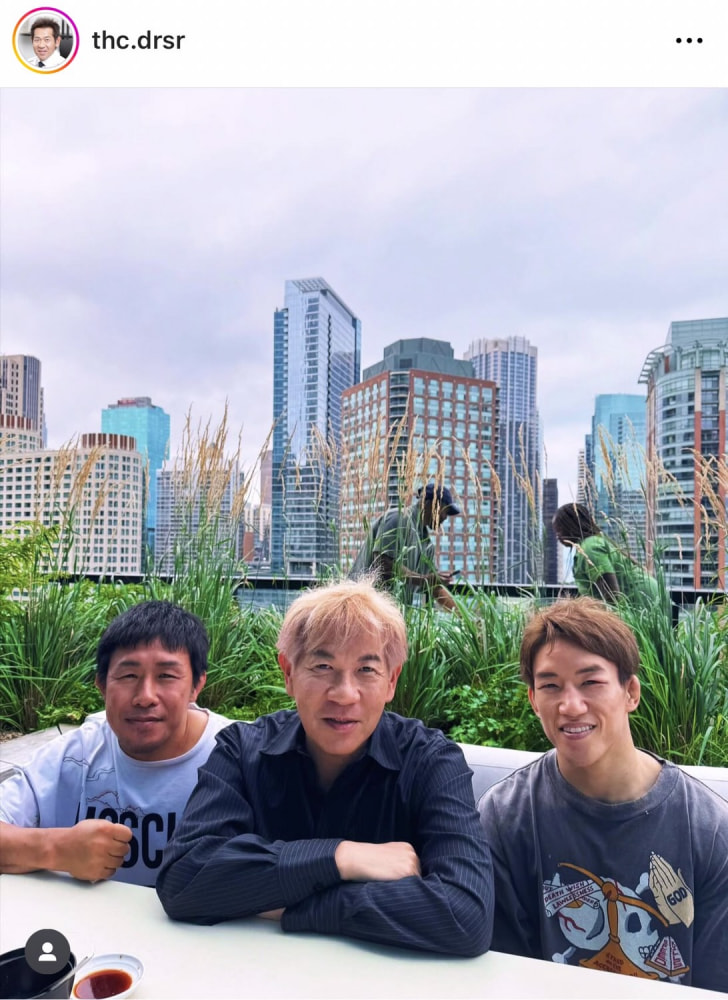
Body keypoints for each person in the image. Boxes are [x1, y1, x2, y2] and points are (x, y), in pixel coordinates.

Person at [156, 579, 493, 957]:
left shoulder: (431, 761)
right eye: (323, 666)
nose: (344, 694)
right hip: (256, 973)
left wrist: (291, 906)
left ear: (391, 680)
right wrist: (342, 857)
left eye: (366, 669)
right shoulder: (241, 750)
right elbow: (184, 879)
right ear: (288, 673)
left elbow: (466, 915)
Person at [478, 597, 728, 991]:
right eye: (550, 686)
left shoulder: (709, 829)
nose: (570, 705)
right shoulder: (505, 817)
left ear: (631, 692)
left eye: (590, 682)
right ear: (534, 701)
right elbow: (503, 974)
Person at [0, 601, 230, 886]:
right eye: (128, 675)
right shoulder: (76, 755)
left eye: (166, 676)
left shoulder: (234, 755)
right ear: (102, 685)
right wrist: (56, 848)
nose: (145, 697)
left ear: (197, 685)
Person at [349, 483, 461, 611]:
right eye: (445, 511)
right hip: (362, 607)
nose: (445, 517)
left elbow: (434, 587)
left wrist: (464, 617)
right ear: (431, 503)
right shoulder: (399, 518)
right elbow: (382, 563)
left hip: (388, 613)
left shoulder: (426, 543)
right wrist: (423, 579)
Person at [553, 502, 659, 605]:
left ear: (570, 526)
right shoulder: (588, 545)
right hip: (646, 596)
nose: (557, 536)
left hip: (643, 600)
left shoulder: (590, 548)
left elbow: (612, 596)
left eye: (558, 530)